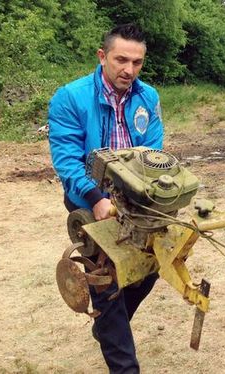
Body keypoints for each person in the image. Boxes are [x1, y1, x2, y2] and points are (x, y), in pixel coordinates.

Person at [48, 23, 163, 373]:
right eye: (121, 60)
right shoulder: (70, 97)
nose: (129, 69)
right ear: (102, 57)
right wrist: (96, 198)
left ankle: (108, 325)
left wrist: (147, 194)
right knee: (107, 279)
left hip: (134, 198)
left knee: (149, 267)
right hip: (88, 196)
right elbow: (67, 160)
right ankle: (123, 362)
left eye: (137, 62)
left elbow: (154, 152)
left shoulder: (148, 98)